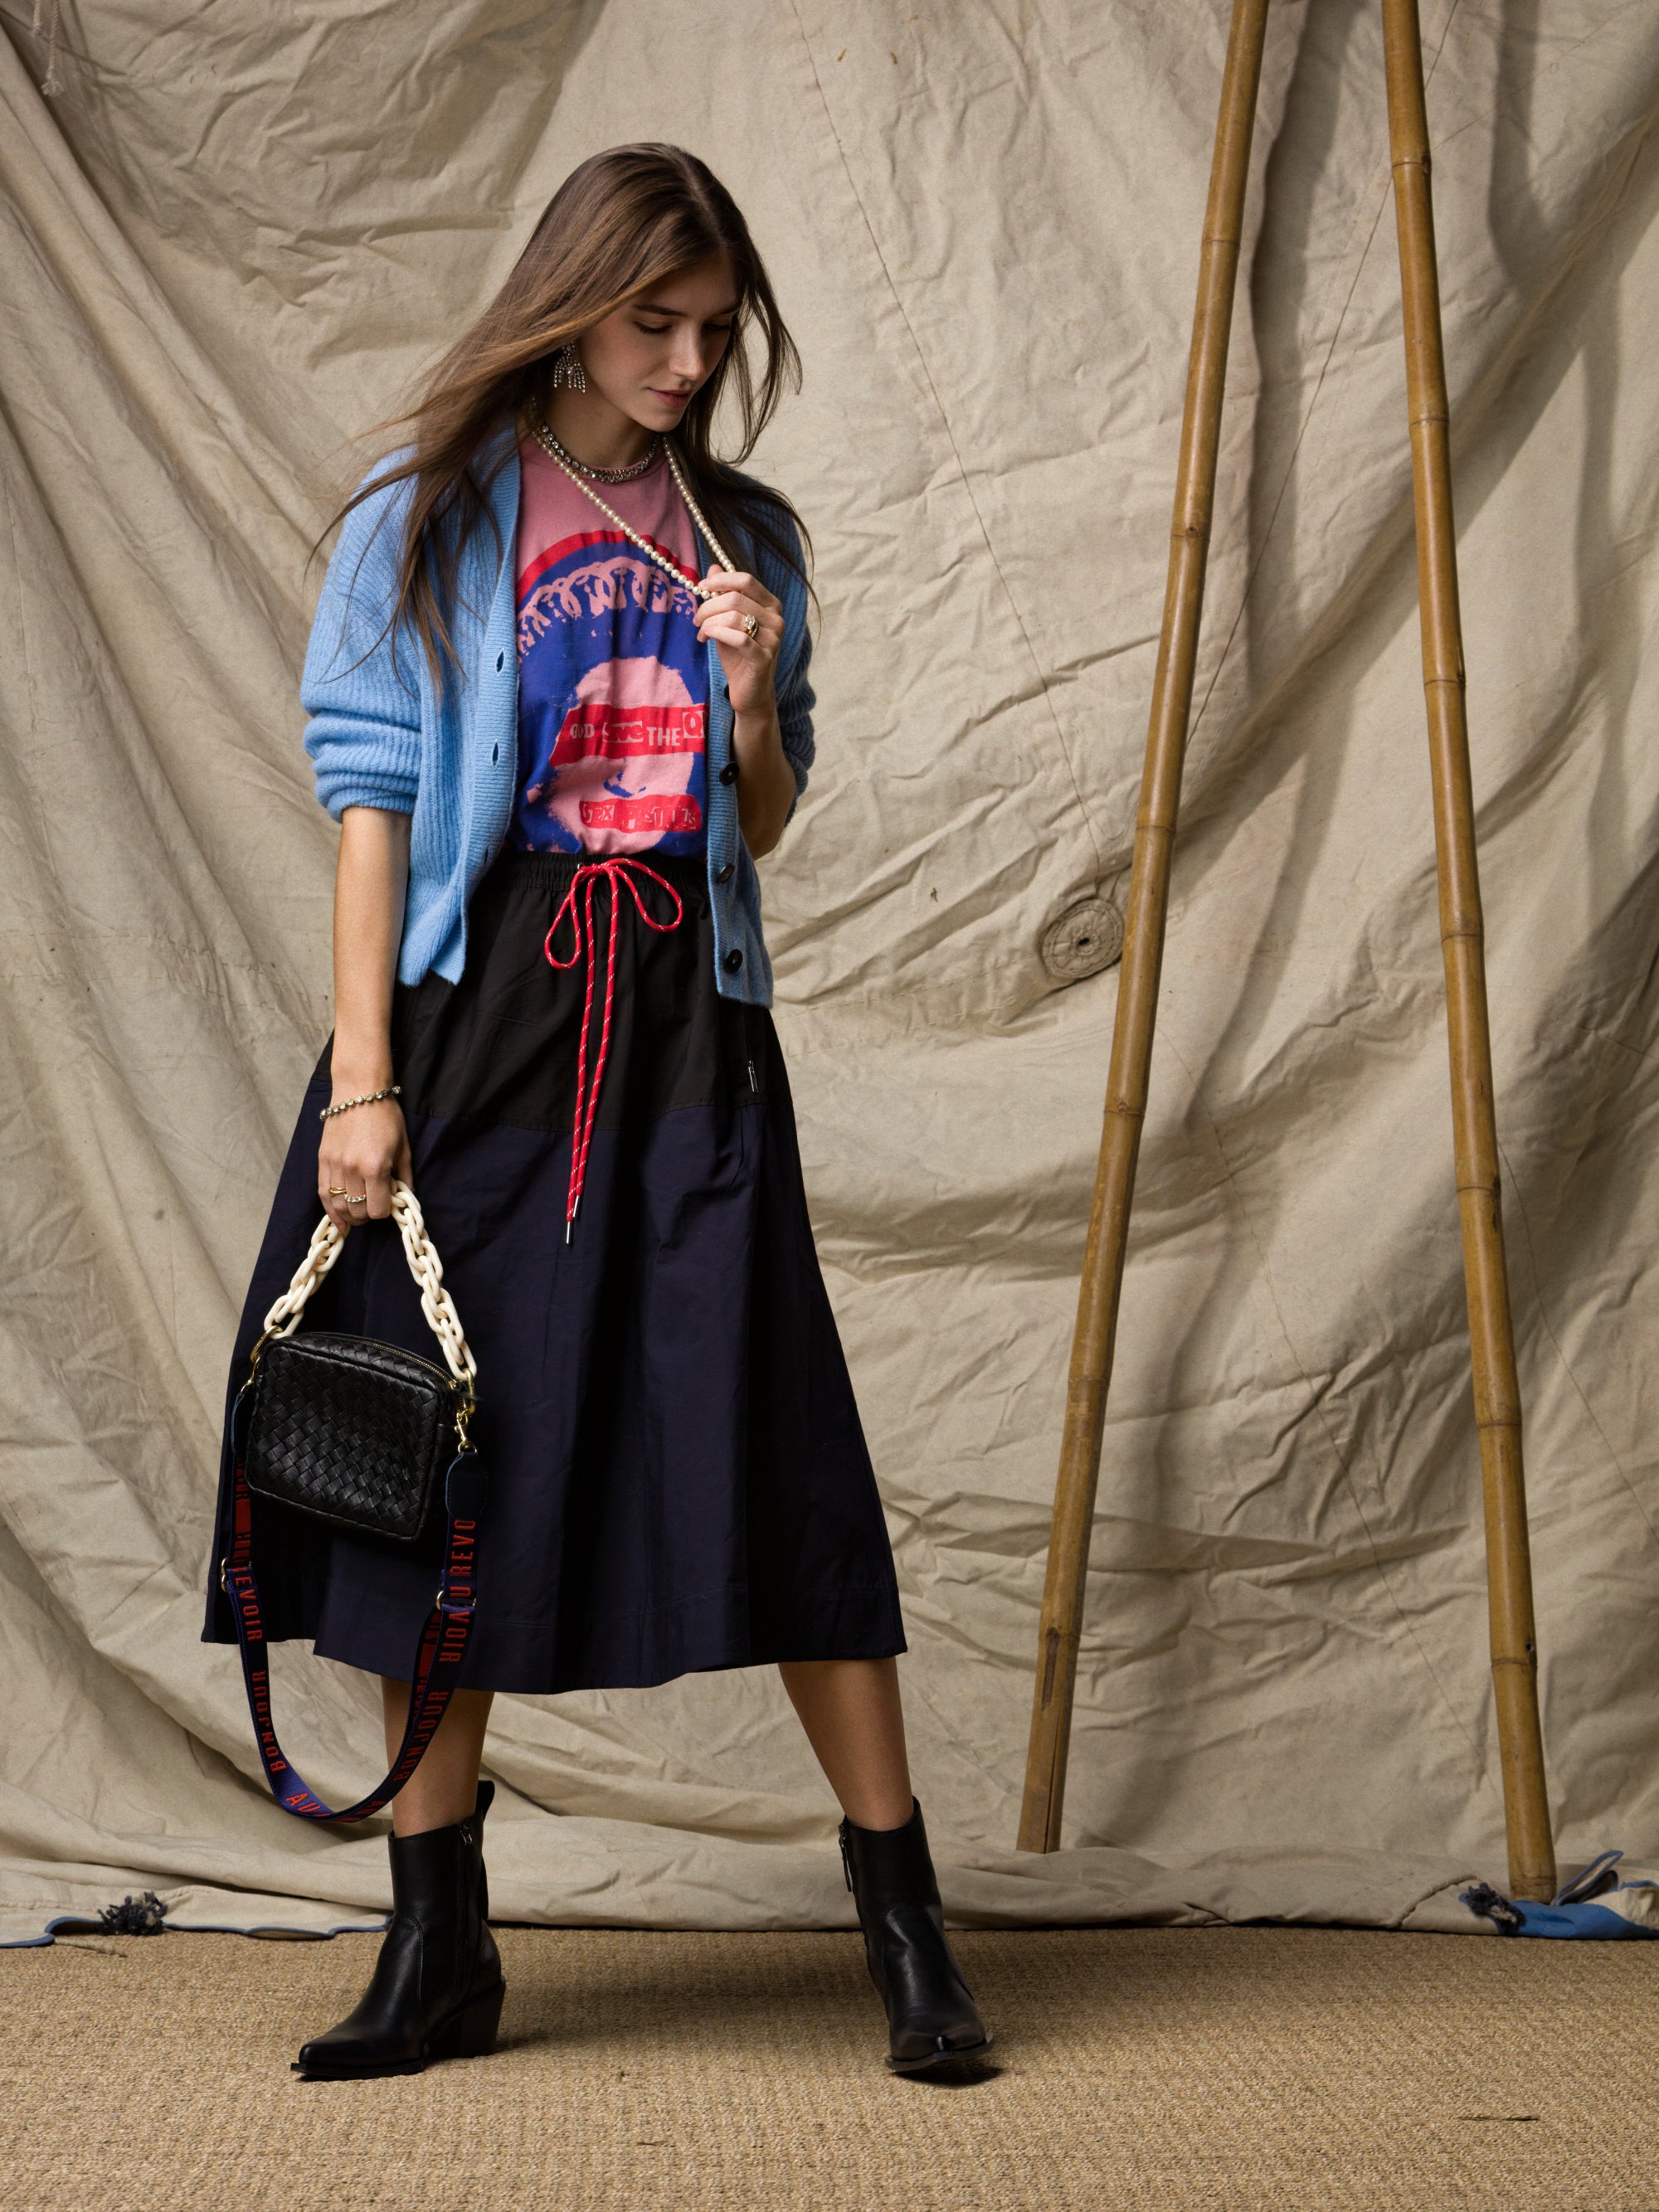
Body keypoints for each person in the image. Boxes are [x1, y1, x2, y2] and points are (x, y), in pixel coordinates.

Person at [202, 143, 990, 2080]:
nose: (688, 360)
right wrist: (362, 1085)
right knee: (440, 1453)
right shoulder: (435, 517)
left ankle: (908, 1923)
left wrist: (745, 693)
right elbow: (371, 810)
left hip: (685, 1032)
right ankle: (436, 1942)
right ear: (573, 304)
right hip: (478, 1029)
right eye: (656, 322)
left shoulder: (746, 536)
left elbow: (765, 819)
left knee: (779, 1438)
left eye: (716, 330)